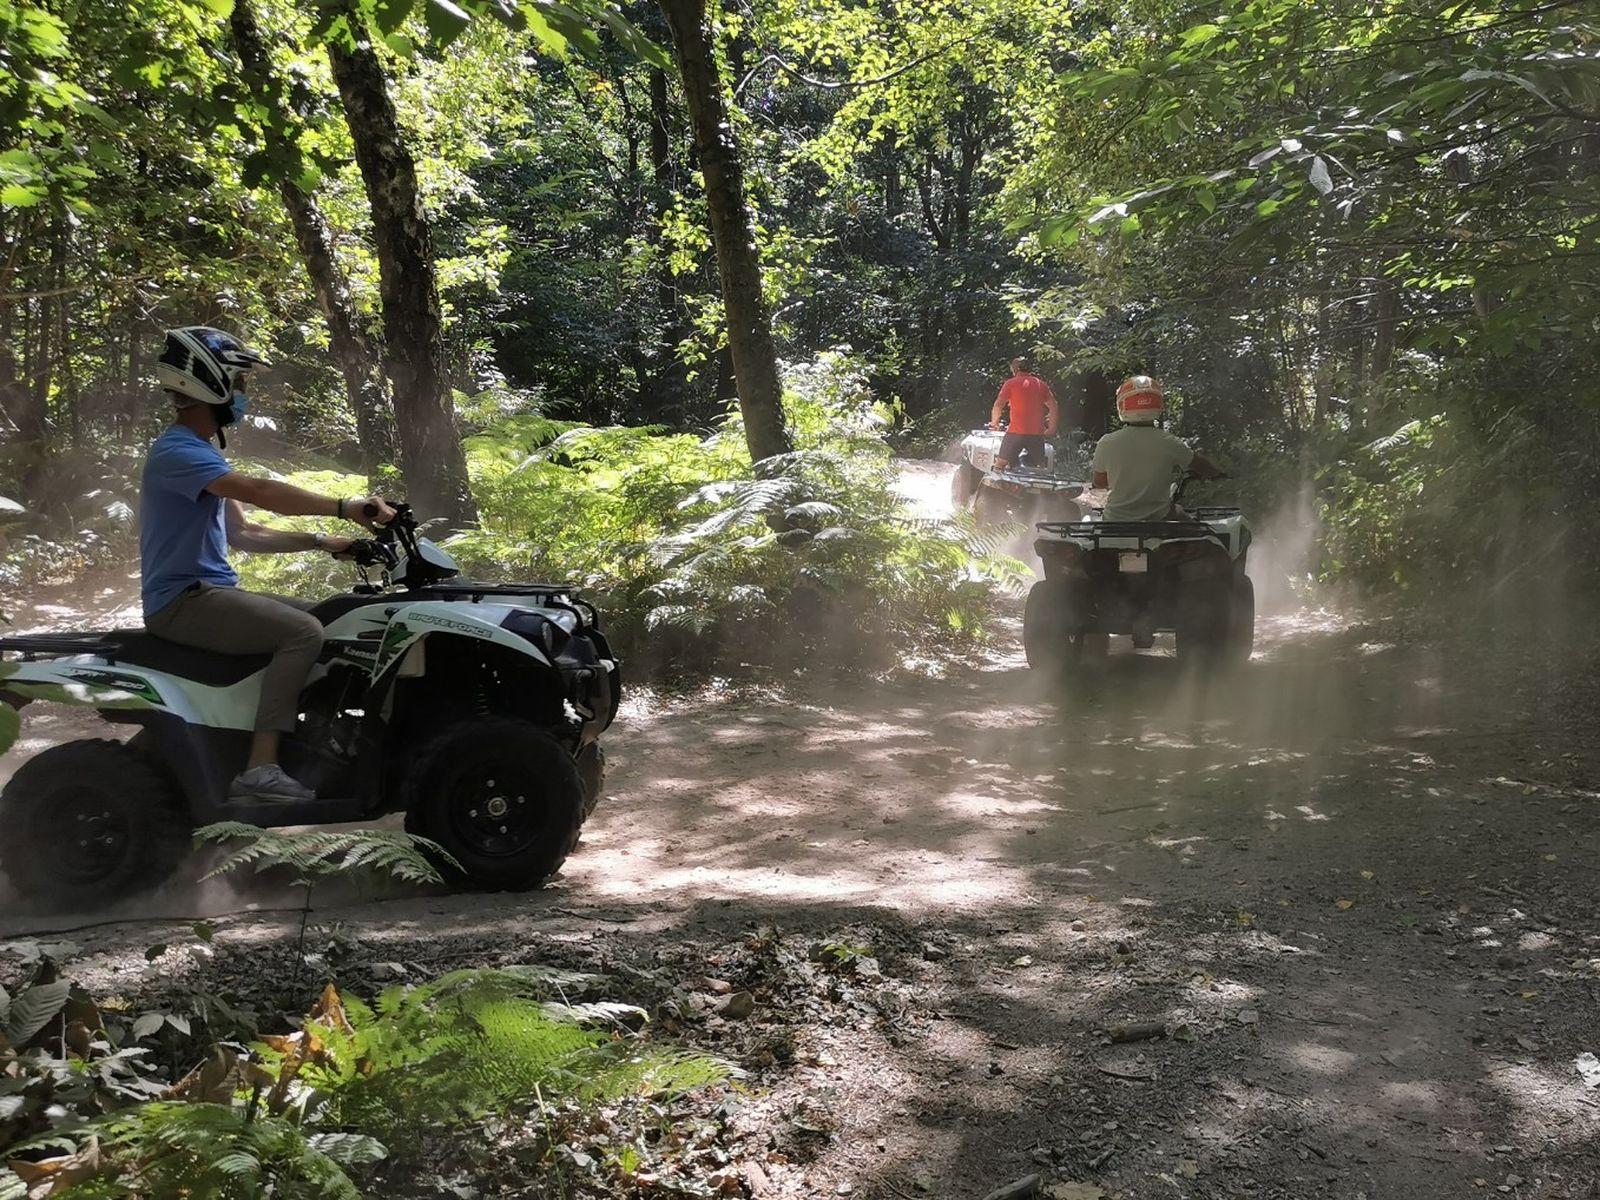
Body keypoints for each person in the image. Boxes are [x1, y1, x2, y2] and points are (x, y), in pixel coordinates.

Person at [140, 326, 395, 803]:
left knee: (335, 619)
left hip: (209, 594)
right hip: (183, 602)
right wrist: (345, 506)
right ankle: (260, 768)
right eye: (238, 384)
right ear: (207, 383)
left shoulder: (201, 453)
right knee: (303, 633)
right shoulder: (178, 452)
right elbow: (261, 494)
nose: (242, 395)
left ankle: (323, 743)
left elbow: (245, 534)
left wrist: (323, 541)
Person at [1091, 375, 1225, 521]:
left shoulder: (1107, 442)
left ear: (1122, 405)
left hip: (1115, 520)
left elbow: (1100, 483)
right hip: (1159, 518)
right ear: (1158, 404)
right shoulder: (1169, 441)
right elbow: (1200, 465)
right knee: (1200, 529)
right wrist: (1218, 474)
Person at [989, 356, 1059, 469]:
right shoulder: (1040, 384)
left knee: (1000, 464)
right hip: (1036, 433)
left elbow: (998, 405)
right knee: (1041, 467)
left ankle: (994, 484)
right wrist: (1051, 428)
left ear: (1014, 369)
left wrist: (994, 422)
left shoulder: (1010, 383)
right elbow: (1054, 407)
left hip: (1015, 432)